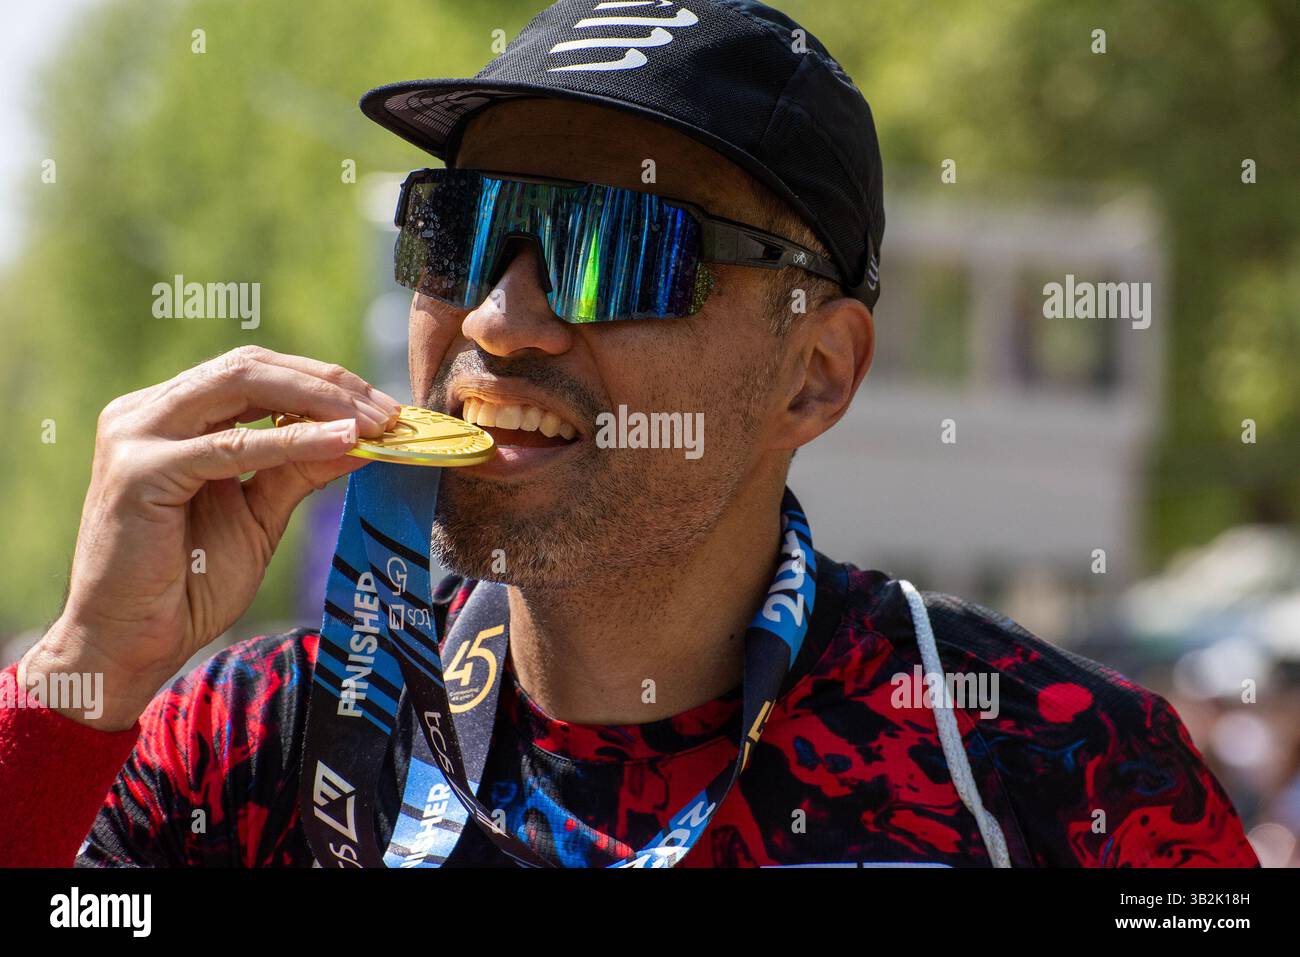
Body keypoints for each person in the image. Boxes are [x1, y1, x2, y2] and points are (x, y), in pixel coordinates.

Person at [0, 0, 1258, 868]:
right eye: (457, 232)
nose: (502, 318)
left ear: (815, 376)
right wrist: (84, 680)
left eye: (619, 248)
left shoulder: (1054, 768)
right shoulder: (255, 743)